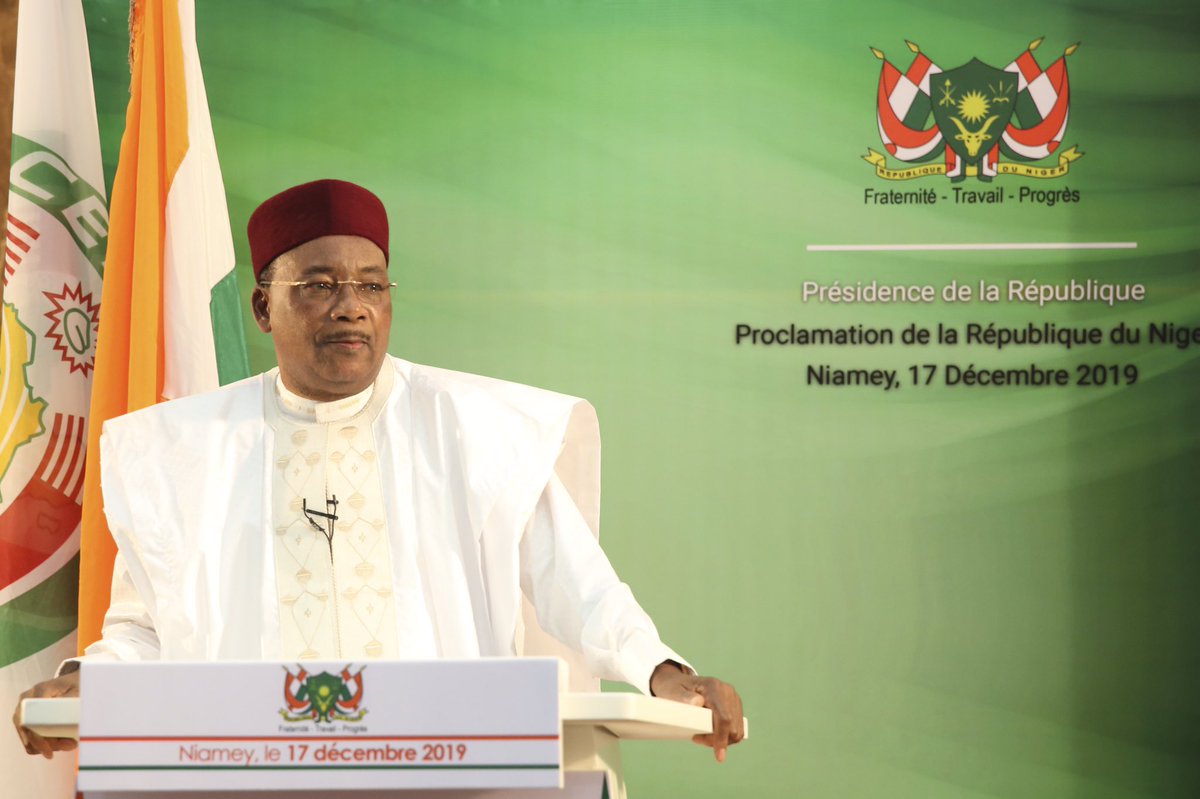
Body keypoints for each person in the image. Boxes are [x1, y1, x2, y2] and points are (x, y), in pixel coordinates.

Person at [13, 179, 744, 763]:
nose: (352, 308)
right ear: (264, 307)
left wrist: (665, 672)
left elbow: (581, 591)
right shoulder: (183, 451)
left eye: (371, 286)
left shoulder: (477, 429)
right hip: (249, 776)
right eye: (320, 285)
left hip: (451, 769)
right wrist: (84, 686)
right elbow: (145, 628)